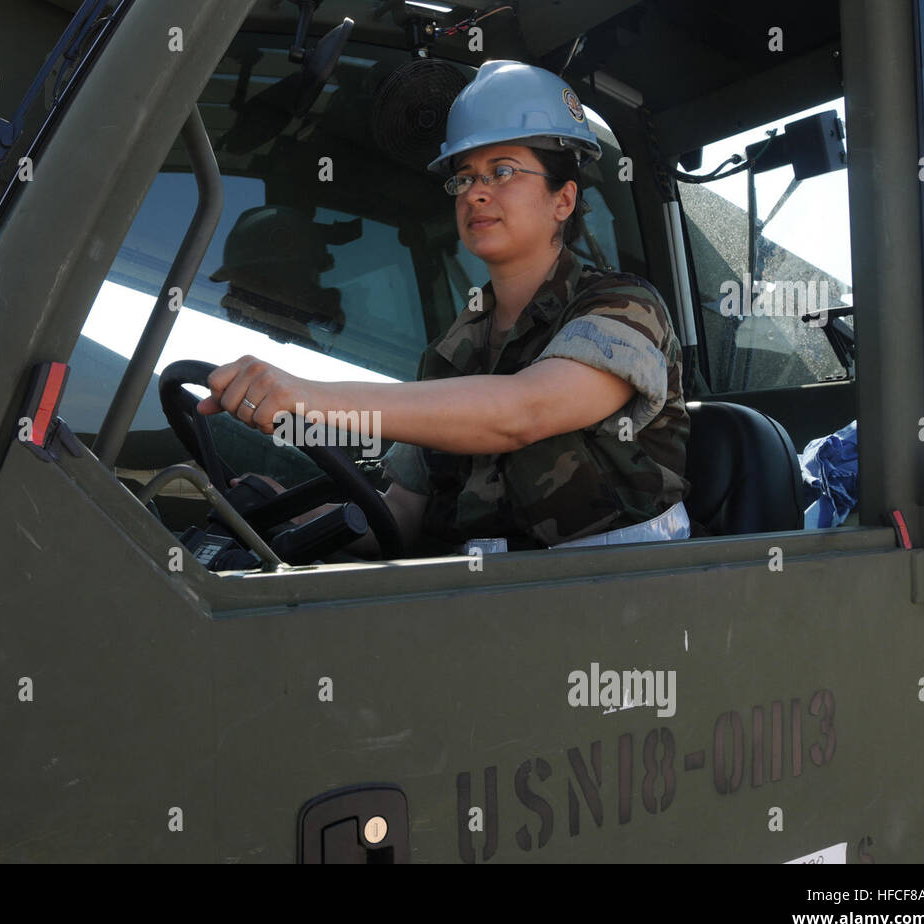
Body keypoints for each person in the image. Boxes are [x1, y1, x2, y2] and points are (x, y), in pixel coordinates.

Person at [197, 60, 691, 558]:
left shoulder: (624, 308)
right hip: (486, 601)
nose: (476, 192)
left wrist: (304, 395)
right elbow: (402, 517)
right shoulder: (456, 350)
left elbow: (523, 412)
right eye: (464, 177)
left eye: (502, 172)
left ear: (562, 199)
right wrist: (287, 511)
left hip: (626, 600)